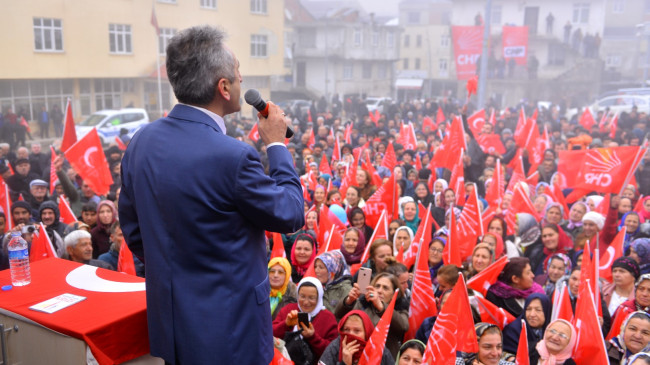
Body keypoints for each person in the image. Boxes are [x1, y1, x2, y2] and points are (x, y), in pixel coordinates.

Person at [119, 26, 305, 365]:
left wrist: (178, 274)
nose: (241, 78)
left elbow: (134, 233)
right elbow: (291, 213)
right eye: (237, 73)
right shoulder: (233, 157)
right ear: (223, 88)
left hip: (170, 325)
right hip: (231, 332)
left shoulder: (140, 143)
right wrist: (277, 144)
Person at [335, 272, 410, 358]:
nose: (379, 291)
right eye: (377, 286)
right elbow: (338, 314)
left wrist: (381, 307)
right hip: (356, 356)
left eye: (385, 288)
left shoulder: (400, 309)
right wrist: (349, 300)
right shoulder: (363, 304)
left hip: (382, 359)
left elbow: (403, 326)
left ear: (394, 294)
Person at [272, 277, 338, 362]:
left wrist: (313, 337)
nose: (306, 302)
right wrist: (286, 324)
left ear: (319, 298)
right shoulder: (288, 310)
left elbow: (332, 352)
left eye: (311, 298)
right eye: (302, 296)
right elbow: (271, 335)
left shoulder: (328, 318)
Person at [318, 310, 394, 365]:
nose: (351, 334)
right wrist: (344, 363)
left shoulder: (378, 349)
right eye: (346, 330)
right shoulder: (335, 347)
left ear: (366, 332)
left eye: (357, 331)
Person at [503, 293, 552, 362]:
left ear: (547, 311)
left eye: (538, 310)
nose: (532, 314)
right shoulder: (513, 331)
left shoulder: (554, 331)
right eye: (528, 309)